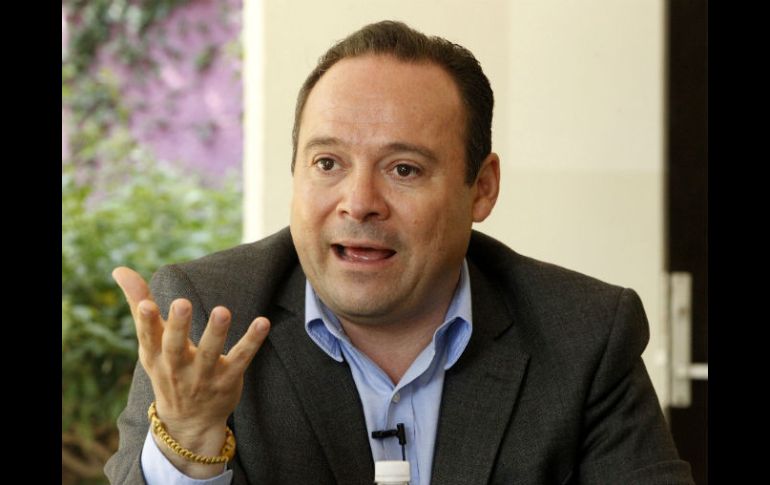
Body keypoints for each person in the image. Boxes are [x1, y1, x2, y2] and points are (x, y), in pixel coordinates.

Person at [104, 20, 694, 485]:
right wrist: (188, 447)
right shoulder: (208, 317)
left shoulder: (584, 335)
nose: (359, 203)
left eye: (404, 168)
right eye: (327, 163)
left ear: (482, 188)